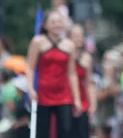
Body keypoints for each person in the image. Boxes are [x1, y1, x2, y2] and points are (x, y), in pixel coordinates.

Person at [26, 10, 82, 138]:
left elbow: (72, 73)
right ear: (45, 25)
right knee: (42, 131)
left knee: (66, 130)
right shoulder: (37, 42)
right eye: (53, 22)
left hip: (64, 94)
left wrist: (76, 98)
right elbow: (30, 67)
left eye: (59, 22)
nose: (57, 25)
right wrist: (30, 89)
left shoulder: (69, 45)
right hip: (43, 94)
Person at [68, 24, 97, 138]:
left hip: (83, 100)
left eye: (81, 35)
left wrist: (93, 105)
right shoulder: (64, 55)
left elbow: (89, 83)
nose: (79, 38)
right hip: (66, 100)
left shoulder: (87, 58)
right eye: (75, 35)